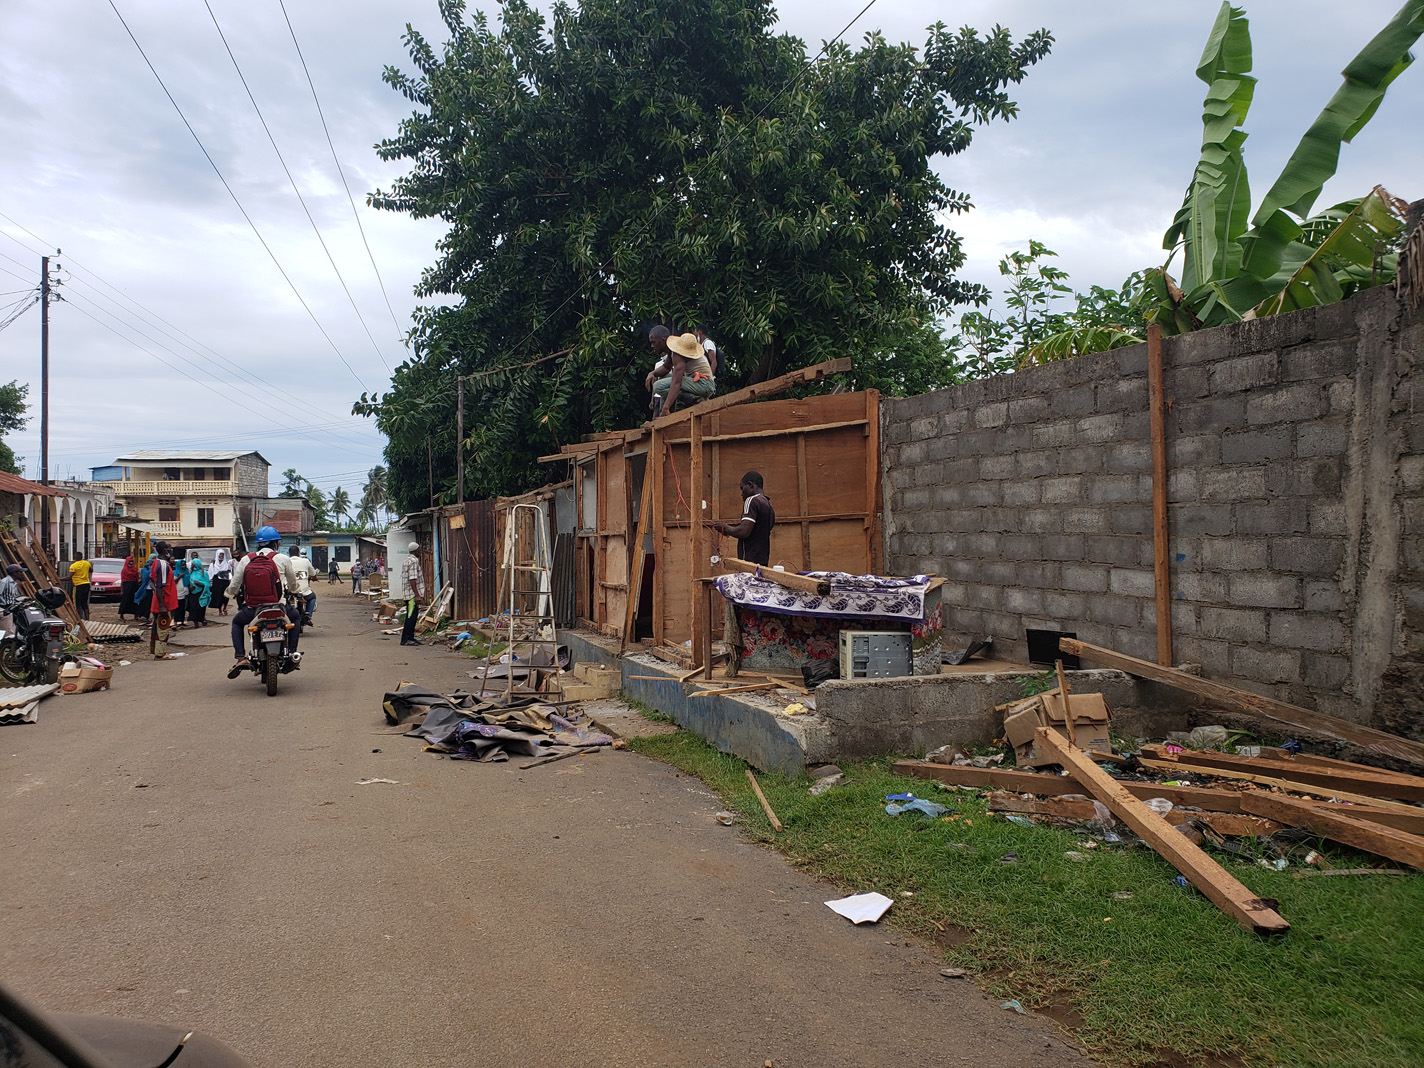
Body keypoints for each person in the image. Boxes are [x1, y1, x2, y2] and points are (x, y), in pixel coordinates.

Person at [225, 525, 302, 679]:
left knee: (237, 623)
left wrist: (229, 594)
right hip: (279, 607)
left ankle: (240, 658)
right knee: (296, 618)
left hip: (254, 609)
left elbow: (235, 584)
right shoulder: (282, 558)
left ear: (259, 543)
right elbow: (293, 583)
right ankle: (292, 653)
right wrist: (296, 591)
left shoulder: (247, 559)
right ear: (275, 543)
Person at [709, 470, 776, 566]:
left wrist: (726, 528)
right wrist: (729, 530)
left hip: (749, 561)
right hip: (763, 561)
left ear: (750, 485)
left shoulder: (751, 500)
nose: (741, 493)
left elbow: (744, 531)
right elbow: (756, 531)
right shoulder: (768, 504)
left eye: (742, 488)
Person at [645, 327, 715, 416]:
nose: (652, 346)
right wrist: (652, 373)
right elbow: (666, 368)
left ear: (662, 340)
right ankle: (694, 399)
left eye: (653, 342)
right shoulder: (672, 352)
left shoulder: (677, 354)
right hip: (699, 384)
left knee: (658, 386)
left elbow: (677, 382)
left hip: (704, 384)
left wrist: (666, 408)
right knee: (664, 377)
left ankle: (696, 399)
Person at [147, 542, 180, 659]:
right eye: (169, 548)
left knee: (157, 627)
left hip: (158, 599)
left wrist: (156, 591)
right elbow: (161, 586)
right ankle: (160, 653)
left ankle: (156, 651)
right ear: (165, 550)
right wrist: (162, 605)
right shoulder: (164, 565)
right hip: (165, 601)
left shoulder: (155, 563)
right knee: (163, 627)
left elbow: (151, 582)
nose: (171, 550)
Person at [400, 544, 427, 646]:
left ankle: (410, 637)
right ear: (416, 550)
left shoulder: (406, 560)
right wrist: (417, 595)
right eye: (419, 549)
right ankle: (406, 639)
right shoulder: (414, 561)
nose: (421, 551)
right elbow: (412, 579)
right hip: (412, 595)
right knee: (411, 617)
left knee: (413, 616)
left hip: (408, 593)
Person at [289, 547, 317, 625]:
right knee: (312, 597)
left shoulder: (286, 561)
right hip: (304, 592)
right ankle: (308, 614)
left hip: (290, 591)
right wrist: (314, 577)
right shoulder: (306, 561)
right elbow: (313, 574)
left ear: (289, 553)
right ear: (298, 553)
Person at [185, 552, 211, 627]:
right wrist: (190, 586)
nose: (192, 565)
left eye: (194, 564)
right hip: (193, 593)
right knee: (193, 608)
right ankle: (195, 622)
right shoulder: (191, 573)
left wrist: (199, 584)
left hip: (201, 594)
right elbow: (188, 581)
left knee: (201, 608)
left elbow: (207, 584)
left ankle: (202, 620)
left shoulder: (204, 573)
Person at [0, 563, 23, 637]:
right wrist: (4, 605)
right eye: (20, 572)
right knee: (7, 632)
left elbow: (14, 596)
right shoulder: (4, 582)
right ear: (14, 573)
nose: (21, 574)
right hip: (4, 609)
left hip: (11, 608)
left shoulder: (14, 583)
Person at [68, 552, 92, 621]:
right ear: (82, 557)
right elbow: (91, 570)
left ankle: (78, 620)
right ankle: (87, 619)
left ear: (74, 557)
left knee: (77, 604)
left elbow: (69, 577)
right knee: (84, 603)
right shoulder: (87, 563)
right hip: (86, 584)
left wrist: (59, 578)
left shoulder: (73, 566)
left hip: (78, 586)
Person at [118, 553, 141, 621]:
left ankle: (136, 615)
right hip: (127, 587)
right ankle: (121, 615)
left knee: (135, 601)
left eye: (132, 561)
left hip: (134, 586)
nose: (131, 563)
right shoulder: (124, 570)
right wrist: (122, 590)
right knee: (125, 601)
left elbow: (137, 577)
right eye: (129, 561)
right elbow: (122, 580)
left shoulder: (135, 569)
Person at [210, 548, 233, 616]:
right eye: (220, 554)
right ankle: (220, 610)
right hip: (217, 582)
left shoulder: (227, 563)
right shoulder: (213, 564)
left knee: (226, 595)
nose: (221, 556)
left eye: (222, 554)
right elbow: (210, 573)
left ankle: (225, 608)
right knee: (218, 596)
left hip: (224, 581)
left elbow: (230, 571)